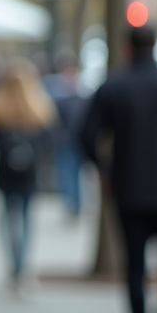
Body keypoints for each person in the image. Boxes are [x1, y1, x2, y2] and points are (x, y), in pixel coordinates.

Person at [82, 25, 157, 313]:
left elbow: (85, 135)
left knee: (135, 268)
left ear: (127, 48)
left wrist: (104, 170)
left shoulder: (114, 88)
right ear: (154, 47)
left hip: (130, 189)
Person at [0, 59, 55, 294]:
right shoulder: (39, 108)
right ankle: (22, 265)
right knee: (25, 218)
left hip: (5, 173)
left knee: (7, 217)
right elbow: (49, 140)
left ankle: (13, 265)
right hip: (29, 173)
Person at [42, 48, 89, 219]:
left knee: (71, 174)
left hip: (71, 141)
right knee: (71, 174)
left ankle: (74, 204)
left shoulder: (62, 93)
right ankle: (74, 204)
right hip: (69, 141)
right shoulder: (76, 92)